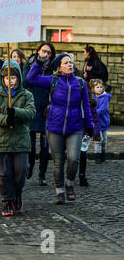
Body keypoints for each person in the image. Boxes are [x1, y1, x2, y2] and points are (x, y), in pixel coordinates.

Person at [27, 53, 94, 204]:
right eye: (66, 63)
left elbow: (86, 106)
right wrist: (38, 63)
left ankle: (70, 183)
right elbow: (31, 79)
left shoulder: (80, 83)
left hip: (75, 127)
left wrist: (90, 125)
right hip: (54, 127)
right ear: (59, 67)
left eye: (71, 62)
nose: (70, 65)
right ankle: (60, 192)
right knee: (58, 161)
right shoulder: (53, 80)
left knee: (73, 158)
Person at [0, 59, 36, 216]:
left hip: (20, 140)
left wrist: (15, 112)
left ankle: (17, 193)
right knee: (4, 173)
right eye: (7, 78)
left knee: (20, 171)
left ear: (19, 78)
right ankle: (8, 200)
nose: (10, 81)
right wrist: (4, 119)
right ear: (3, 79)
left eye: (13, 78)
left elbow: (30, 112)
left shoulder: (26, 95)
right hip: (1, 140)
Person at [22, 42, 56, 186]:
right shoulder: (30, 63)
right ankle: (29, 168)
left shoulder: (54, 67)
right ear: (38, 51)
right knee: (30, 144)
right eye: (43, 51)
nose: (46, 54)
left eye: (48, 52)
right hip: (31, 106)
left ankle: (42, 174)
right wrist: (37, 66)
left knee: (45, 146)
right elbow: (25, 82)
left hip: (46, 109)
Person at [78, 83, 101, 187]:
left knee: (82, 155)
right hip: (74, 131)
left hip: (85, 133)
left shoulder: (90, 103)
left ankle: (82, 176)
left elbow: (95, 119)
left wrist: (95, 132)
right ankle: (71, 176)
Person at [91, 78, 112, 164]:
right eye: (97, 87)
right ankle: (97, 156)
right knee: (98, 140)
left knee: (104, 140)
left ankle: (103, 153)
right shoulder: (92, 97)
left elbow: (103, 109)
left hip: (104, 122)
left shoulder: (105, 97)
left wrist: (94, 113)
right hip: (96, 123)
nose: (99, 89)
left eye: (100, 87)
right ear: (93, 89)